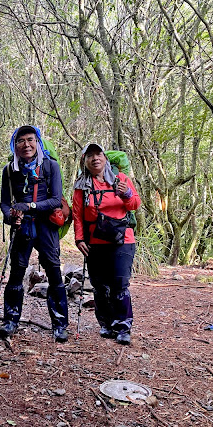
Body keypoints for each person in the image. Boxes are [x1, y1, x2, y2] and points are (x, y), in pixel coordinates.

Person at [0, 125, 69, 343]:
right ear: (15, 145)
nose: (26, 145)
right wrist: (11, 215)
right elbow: (4, 202)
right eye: (21, 141)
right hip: (22, 227)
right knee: (17, 272)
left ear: (37, 142)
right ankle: (10, 320)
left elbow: (56, 200)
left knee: (54, 271)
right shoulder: (10, 170)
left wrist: (30, 207)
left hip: (46, 225)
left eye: (30, 140)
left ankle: (59, 324)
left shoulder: (51, 166)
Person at [72, 142, 141, 345]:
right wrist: (79, 238)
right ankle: (106, 323)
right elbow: (77, 215)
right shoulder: (81, 186)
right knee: (100, 286)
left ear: (105, 158)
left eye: (98, 154)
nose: (95, 158)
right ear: (84, 162)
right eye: (90, 155)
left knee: (120, 284)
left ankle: (123, 327)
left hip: (123, 239)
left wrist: (126, 194)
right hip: (95, 241)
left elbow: (135, 204)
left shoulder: (120, 179)